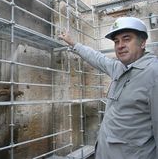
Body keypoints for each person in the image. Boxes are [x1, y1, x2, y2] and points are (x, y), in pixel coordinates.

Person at [59, 17, 158, 159]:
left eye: (126, 39)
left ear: (142, 43)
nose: (120, 45)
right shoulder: (120, 67)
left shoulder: (154, 73)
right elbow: (97, 58)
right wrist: (73, 43)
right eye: (116, 41)